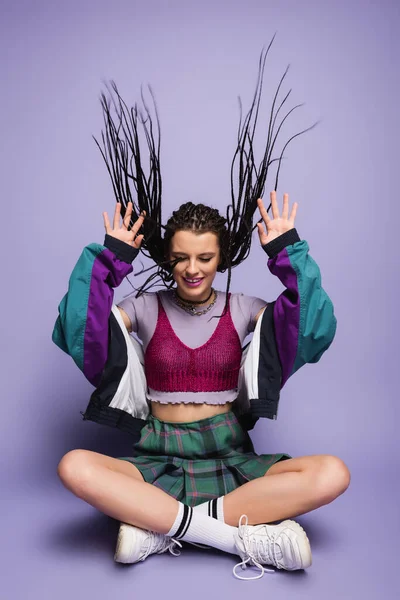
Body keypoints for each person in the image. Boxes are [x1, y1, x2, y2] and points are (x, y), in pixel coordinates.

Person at [52, 43, 350, 580]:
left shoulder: (247, 310)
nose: (193, 269)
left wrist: (288, 253)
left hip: (232, 459)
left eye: (206, 258)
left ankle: (158, 528)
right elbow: (79, 332)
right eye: (182, 258)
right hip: (155, 459)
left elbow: (314, 329)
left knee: (332, 473)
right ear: (168, 258)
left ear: (223, 256)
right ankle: (239, 538)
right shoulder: (142, 309)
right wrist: (108, 261)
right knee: (74, 465)